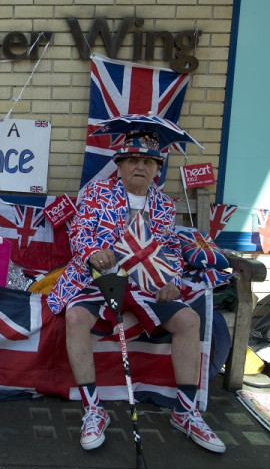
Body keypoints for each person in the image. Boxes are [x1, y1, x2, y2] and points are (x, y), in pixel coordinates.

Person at [47, 131, 226, 454]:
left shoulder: (163, 204)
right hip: (99, 279)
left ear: (157, 169)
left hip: (146, 283)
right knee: (74, 316)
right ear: (120, 166)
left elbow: (170, 249)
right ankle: (93, 410)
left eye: (147, 161)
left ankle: (185, 412)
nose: (139, 167)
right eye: (132, 160)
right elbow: (80, 232)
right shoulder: (97, 193)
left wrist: (172, 279)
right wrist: (92, 254)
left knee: (187, 319)